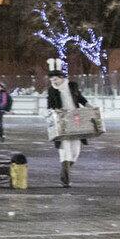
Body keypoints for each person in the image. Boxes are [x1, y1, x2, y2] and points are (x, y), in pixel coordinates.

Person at [46, 59, 89, 187]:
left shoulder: (72, 86)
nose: (53, 82)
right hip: (62, 122)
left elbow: (80, 98)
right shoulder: (52, 90)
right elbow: (50, 105)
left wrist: (88, 105)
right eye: (51, 80)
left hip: (75, 120)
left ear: (61, 77)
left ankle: (65, 170)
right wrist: (53, 112)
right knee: (65, 150)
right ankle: (65, 178)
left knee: (75, 151)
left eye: (55, 79)